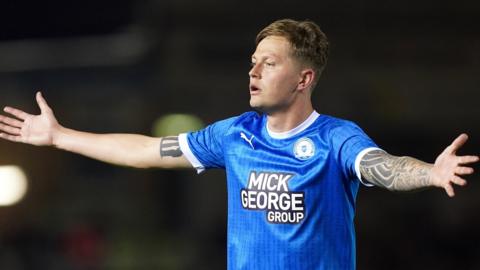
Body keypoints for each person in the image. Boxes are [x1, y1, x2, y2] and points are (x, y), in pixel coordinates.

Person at [0, 19, 477, 270]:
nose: (252, 71)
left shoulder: (336, 138)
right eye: (253, 61)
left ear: (303, 79)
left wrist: (429, 174)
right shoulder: (233, 135)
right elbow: (145, 151)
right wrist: (60, 137)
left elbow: (380, 166)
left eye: (268, 63)